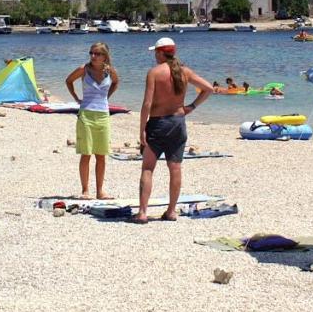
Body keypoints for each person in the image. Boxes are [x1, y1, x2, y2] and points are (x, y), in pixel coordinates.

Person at [133, 37, 213, 224]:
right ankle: (171, 211)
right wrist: (190, 107)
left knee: (147, 168)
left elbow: (147, 103)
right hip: (177, 123)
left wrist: (142, 129)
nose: (154, 55)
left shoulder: (154, 73)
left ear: (161, 52)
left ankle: (143, 212)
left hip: (158, 123)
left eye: (156, 52)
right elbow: (208, 89)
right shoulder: (184, 72)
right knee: (175, 168)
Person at [64, 41, 119, 199]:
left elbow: (116, 82)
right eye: (91, 53)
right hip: (86, 114)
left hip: (103, 115)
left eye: (97, 53)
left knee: (101, 155)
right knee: (86, 153)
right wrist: (76, 98)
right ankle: (85, 190)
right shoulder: (84, 69)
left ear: (105, 56)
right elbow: (68, 80)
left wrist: (107, 97)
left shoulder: (110, 71)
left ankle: (100, 191)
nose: (93, 56)